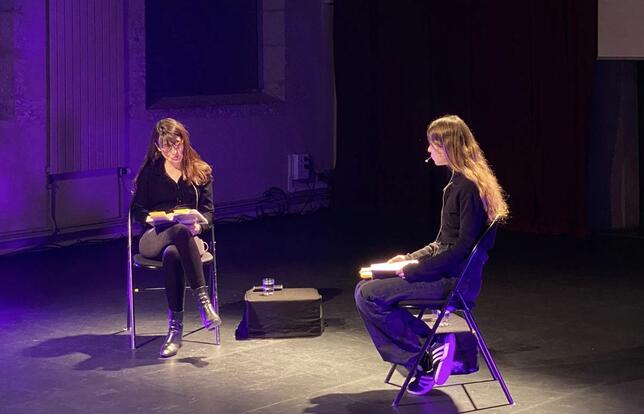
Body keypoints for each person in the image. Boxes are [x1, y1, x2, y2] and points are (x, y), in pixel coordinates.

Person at [354, 114, 509, 395]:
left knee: (367, 295)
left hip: (453, 282)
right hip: (447, 273)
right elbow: (442, 242)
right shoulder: (459, 183)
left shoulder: (467, 187)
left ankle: (425, 353)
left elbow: (462, 248)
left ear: (448, 146)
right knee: (367, 289)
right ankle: (427, 357)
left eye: (433, 145)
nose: (428, 150)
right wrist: (410, 257)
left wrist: (417, 269)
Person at [131, 118, 222, 358]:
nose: (174, 151)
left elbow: (209, 212)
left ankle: (175, 330)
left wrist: (198, 225)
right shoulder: (151, 172)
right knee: (175, 232)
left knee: (174, 253)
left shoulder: (200, 171)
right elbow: (136, 210)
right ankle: (204, 304)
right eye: (167, 147)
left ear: (184, 141)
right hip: (153, 239)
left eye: (178, 145)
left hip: (189, 240)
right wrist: (151, 219)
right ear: (158, 148)